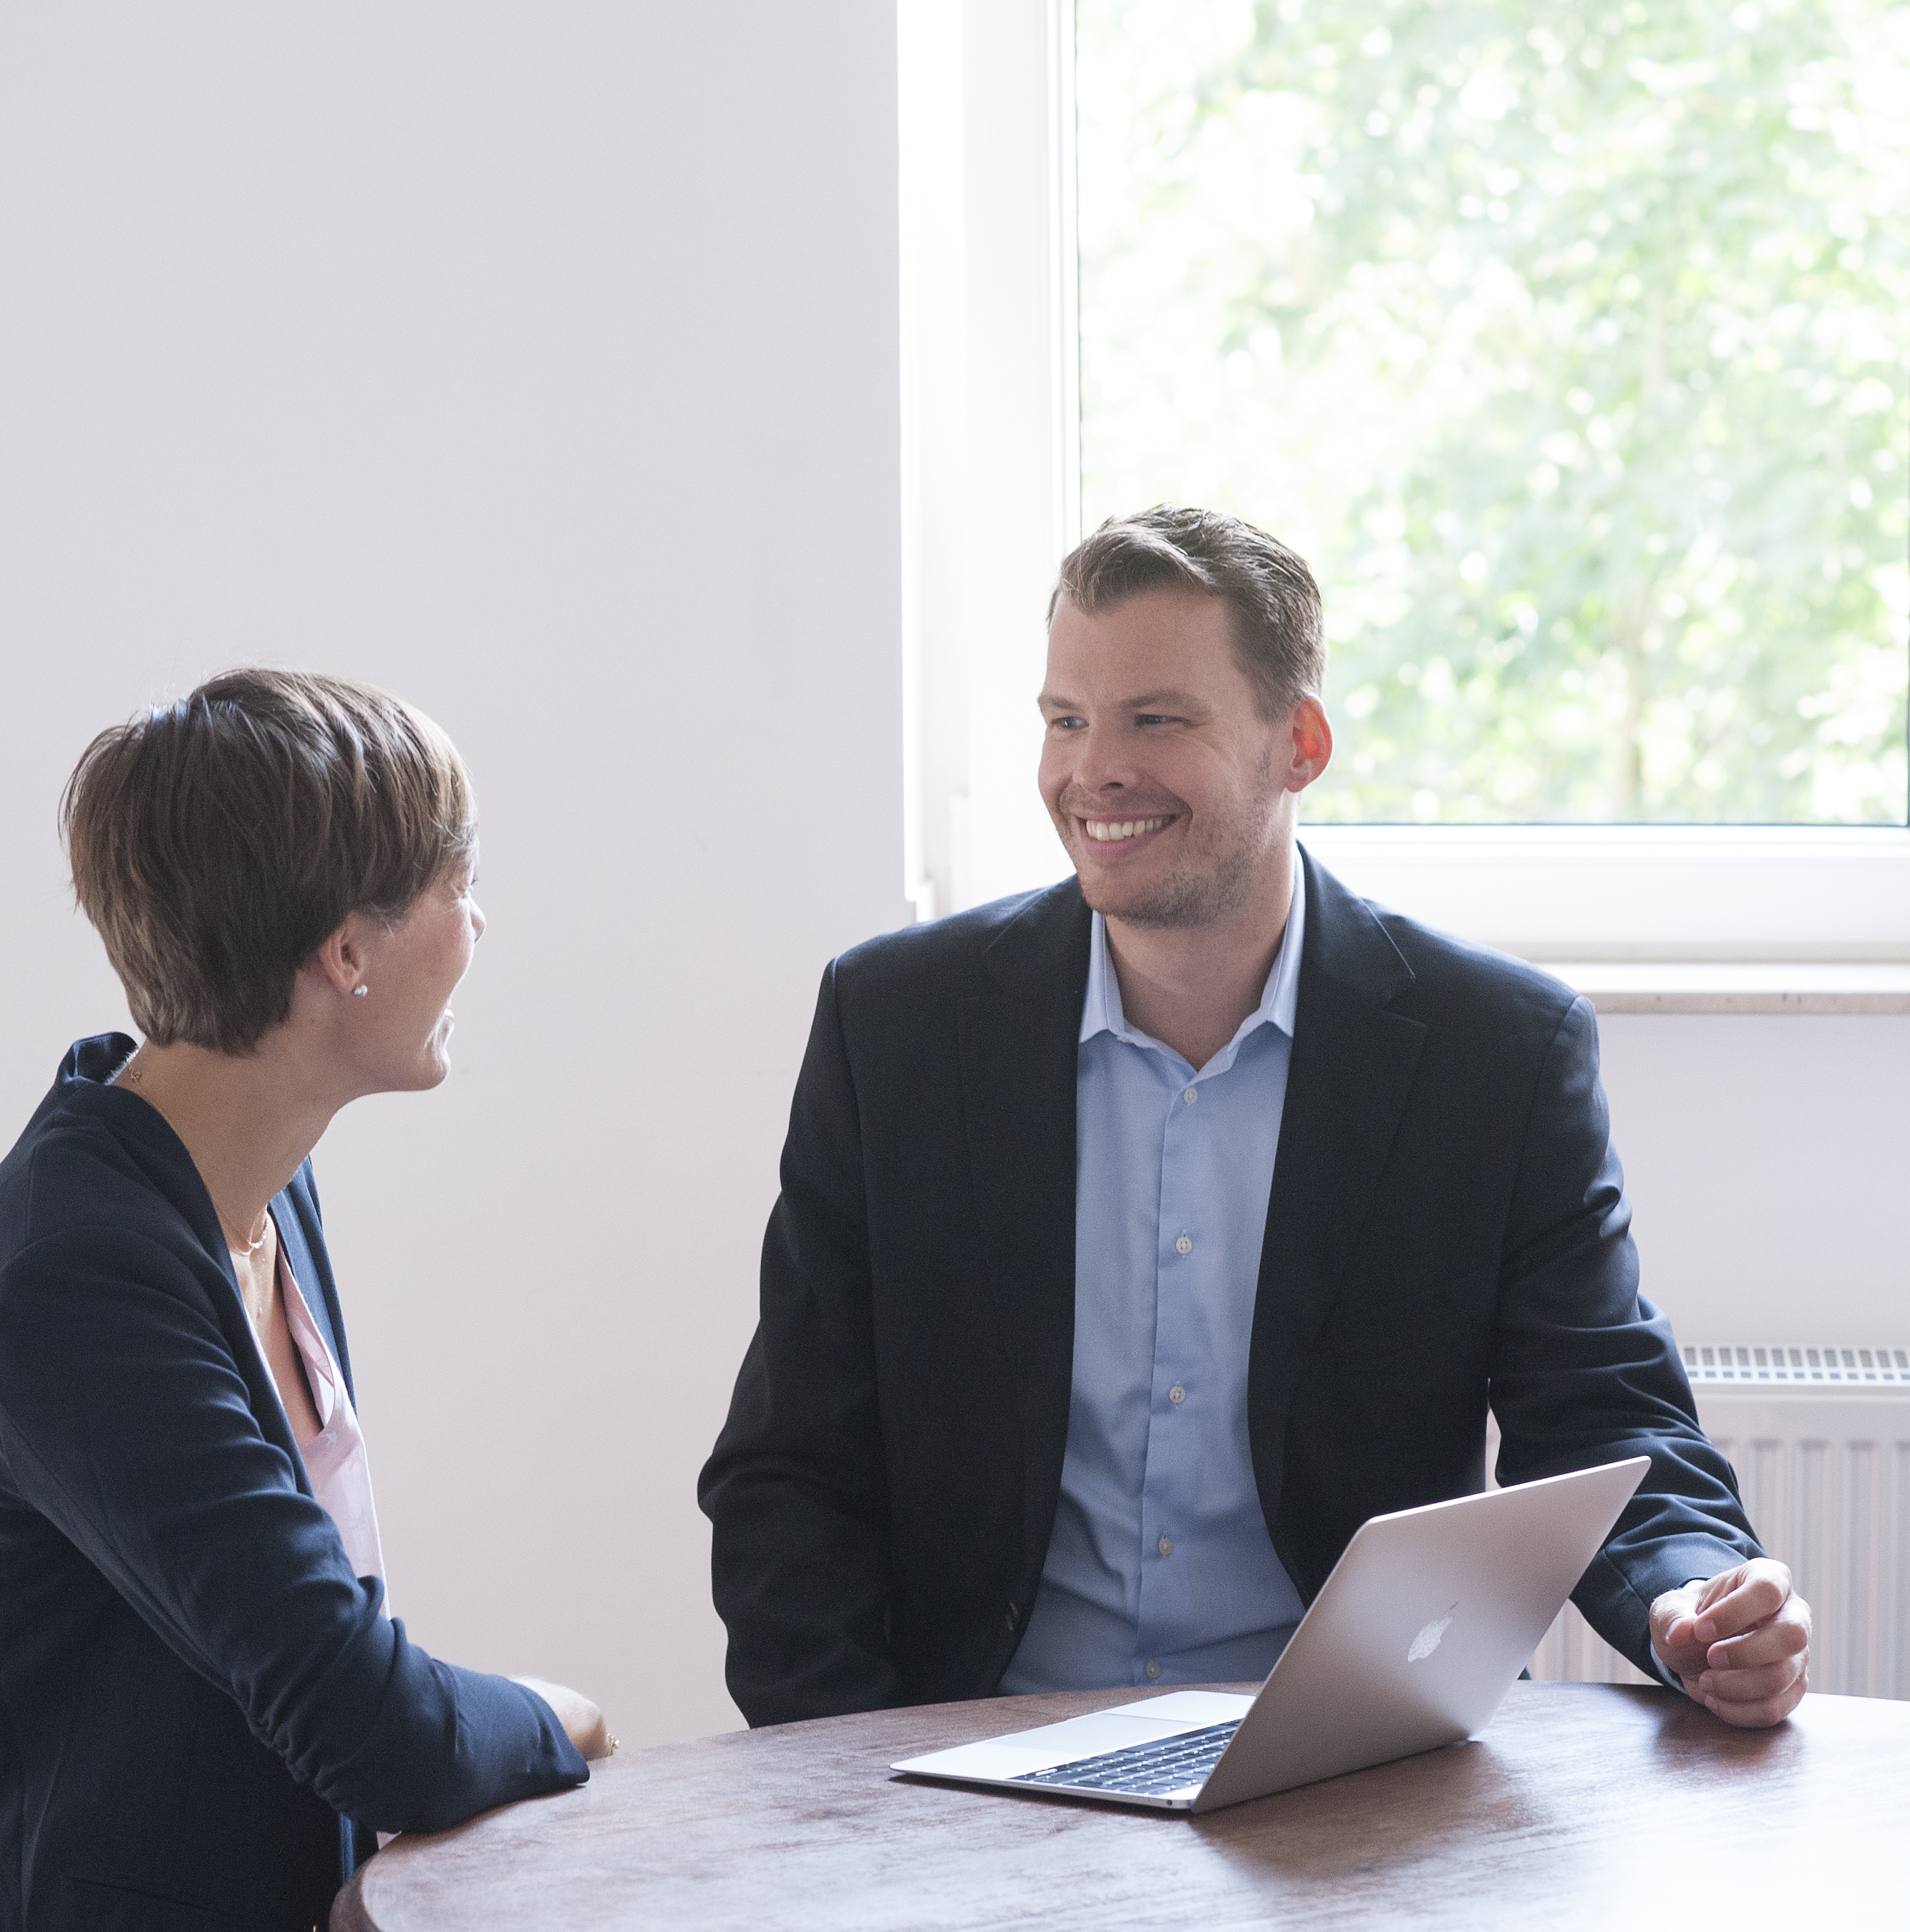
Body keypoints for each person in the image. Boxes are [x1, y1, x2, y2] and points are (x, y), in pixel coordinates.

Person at [701, 506, 1813, 1735]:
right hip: (975, 1753)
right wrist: (857, 1779)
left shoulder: (1497, 1052)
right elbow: (791, 1465)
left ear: (1301, 744)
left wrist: (1692, 1599)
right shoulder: (897, 1026)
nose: (1093, 771)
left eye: (1154, 719)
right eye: (1066, 720)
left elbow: (1605, 1415)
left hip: (1349, 1759)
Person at [0, 670, 609, 1932]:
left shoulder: (261, 1185)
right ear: (346, 951)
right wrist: (556, 1716)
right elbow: (361, 1716)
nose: (478, 925)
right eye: (458, 884)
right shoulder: (71, 1272)